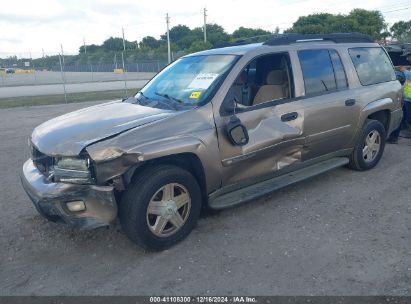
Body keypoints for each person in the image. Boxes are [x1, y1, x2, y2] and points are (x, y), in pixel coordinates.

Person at [387, 51, 411, 144]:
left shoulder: (407, 70)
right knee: (400, 118)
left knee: (408, 118)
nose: (407, 59)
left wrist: (405, 71)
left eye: (408, 57)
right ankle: (393, 138)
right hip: (406, 99)